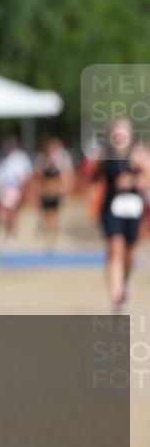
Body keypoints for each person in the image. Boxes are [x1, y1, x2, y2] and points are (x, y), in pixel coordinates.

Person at [95, 118, 147, 309]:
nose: (119, 136)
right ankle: (117, 296)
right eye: (116, 132)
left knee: (130, 252)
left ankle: (125, 280)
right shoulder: (104, 155)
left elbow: (148, 178)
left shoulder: (138, 155)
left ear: (130, 135)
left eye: (123, 132)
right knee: (115, 249)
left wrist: (132, 181)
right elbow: (95, 178)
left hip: (134, 209)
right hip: (112, 208)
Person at [35, 138, 75, 248]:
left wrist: (65, 189)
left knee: (54, 213)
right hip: (46, 191)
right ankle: (49, 231)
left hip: (56, 191)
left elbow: (67, 175)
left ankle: (53, 235)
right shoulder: (43, 159)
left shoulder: (63, 159)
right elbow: (39, 175)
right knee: (46, 213)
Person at [0, 137, 33, 237]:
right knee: (3, 212)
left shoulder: (21, 157)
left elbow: (27, 173)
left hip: (16, 188)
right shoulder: (5, 158)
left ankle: (11, 233)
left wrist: (24, 187)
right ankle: (6, 232)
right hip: (5, 188)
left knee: (11, 212)